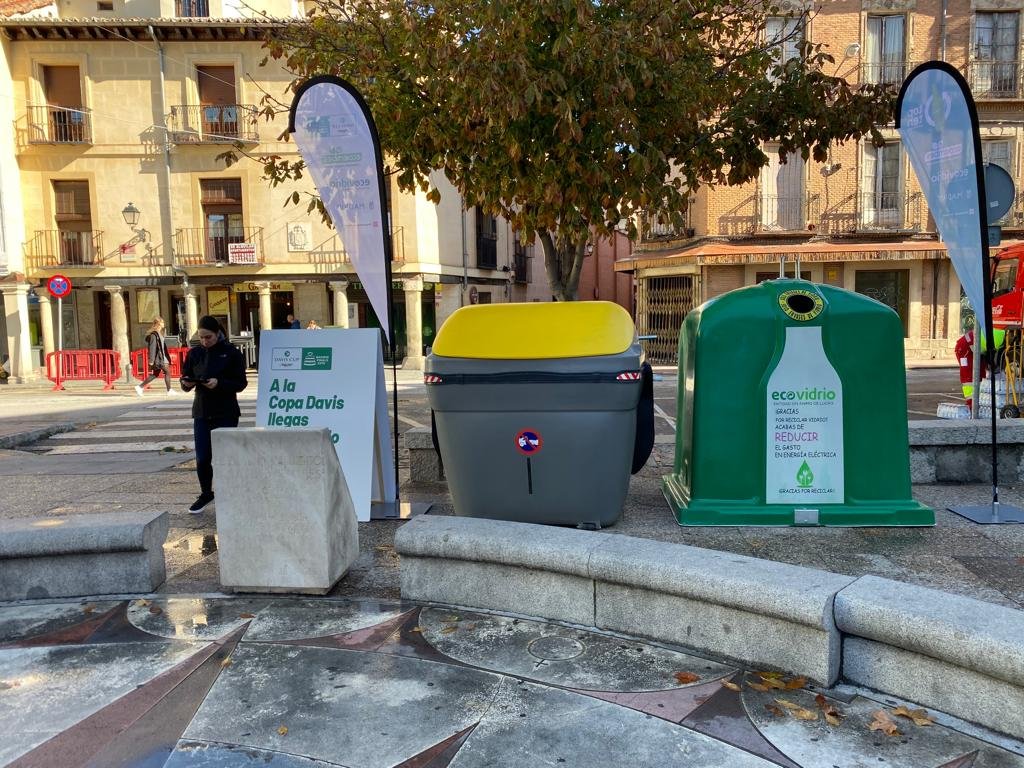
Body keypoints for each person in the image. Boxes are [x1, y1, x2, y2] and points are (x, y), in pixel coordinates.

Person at [180, 315, 248, 514]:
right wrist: (187, 383)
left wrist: (219, 383)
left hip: (225, 411)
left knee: (225, 457)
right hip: (202, 411)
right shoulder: (195, 354)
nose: (204, 341)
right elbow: (184, 379)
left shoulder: (231, 353)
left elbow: (240, 383)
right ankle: (206, 492)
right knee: (202, 458)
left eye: (208, 337)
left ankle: (230, 493)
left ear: (218, 333)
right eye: (201, 337)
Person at [135, 318, 175, 397]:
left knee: (155, 374)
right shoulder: (154, 335)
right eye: (162, 322)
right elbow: (152, 347)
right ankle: (169, 390)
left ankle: (140, 387)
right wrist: (151, 360)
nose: (164, 323)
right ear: (158, 323)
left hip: (162, 357)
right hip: (159, 358)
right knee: (167, 372)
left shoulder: (159, 333)